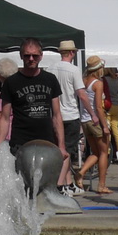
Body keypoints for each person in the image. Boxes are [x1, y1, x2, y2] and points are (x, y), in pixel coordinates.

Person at [0, 39, 65, 166]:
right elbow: (4, 118)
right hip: (21, 142)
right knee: (22, 183)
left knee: (45, 182)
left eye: (35, 55)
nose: (31, 59)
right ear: (21, 56)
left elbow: (57, 115)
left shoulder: (50, 79)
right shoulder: (11, 82)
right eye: (27, 55)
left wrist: (61, 145)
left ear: (41, 56)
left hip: (46, 142)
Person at [77, 57, 112, 195]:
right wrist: (105, 126)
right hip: (95, 120)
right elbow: (98, 106)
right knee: (104, 152)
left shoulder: (83, 81)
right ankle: (101, 185)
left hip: (85, 121)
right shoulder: (98, 83)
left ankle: (81, 172)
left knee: (96, 152)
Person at [51, 41, 83, 189]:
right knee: (67, 151)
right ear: (72, 53)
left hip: (55, 114)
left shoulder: (50, 69)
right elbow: (81, 93)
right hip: (70, 114)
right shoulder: (74, 70)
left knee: (59, 149)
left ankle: (68, 183)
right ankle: (59, 185)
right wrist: (92, 112)